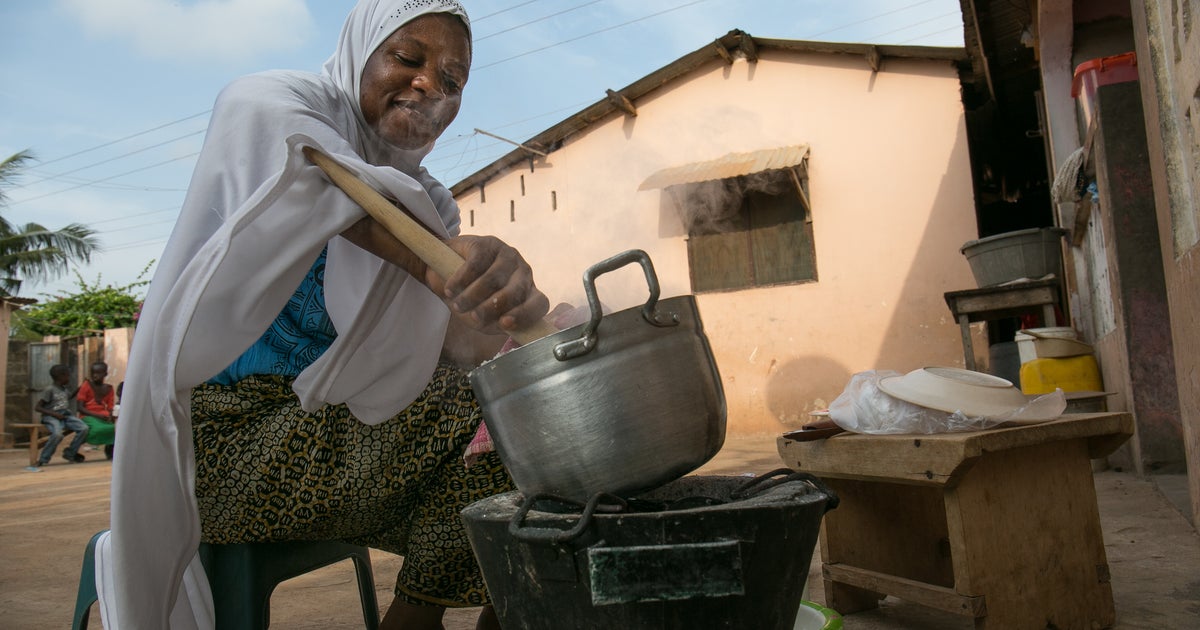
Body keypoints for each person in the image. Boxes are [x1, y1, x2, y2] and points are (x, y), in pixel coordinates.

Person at [95, 2, 550, 629]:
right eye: (407, 58)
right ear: (359, 56)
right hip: (216, 448)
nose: (428, 85)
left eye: (452, 80)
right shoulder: (279, 107)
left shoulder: (431, 205)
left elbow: (452, 342)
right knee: (486, 424)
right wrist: (431, 262)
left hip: (330, 432)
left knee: (530, 436)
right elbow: (296, 153)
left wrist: (505, 305)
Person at [33, 364, 90, 466]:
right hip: (51, 417)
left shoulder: (63, 389)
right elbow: (38, 407)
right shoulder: (49, 389)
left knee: (84, 428)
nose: (69, 378)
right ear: (61, 376)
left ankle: (70, 453)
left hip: (65, 416)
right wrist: (54, 414)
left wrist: (81, 387)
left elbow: (69, 397)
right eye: (68, 376)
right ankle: (43, 458)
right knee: (57, 434)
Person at [77, 361, 117, 460]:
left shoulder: (108, 388)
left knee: (115, 429)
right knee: (99, 429)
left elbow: (110, 406)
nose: (95, 375)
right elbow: (80, 407)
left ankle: (110, 449)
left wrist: (111, 415)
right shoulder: (86, 385)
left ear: (105, 374)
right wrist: (97, 415)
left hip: (103, 415)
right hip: (88, 415)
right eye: (93, 373)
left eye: (98, 373)